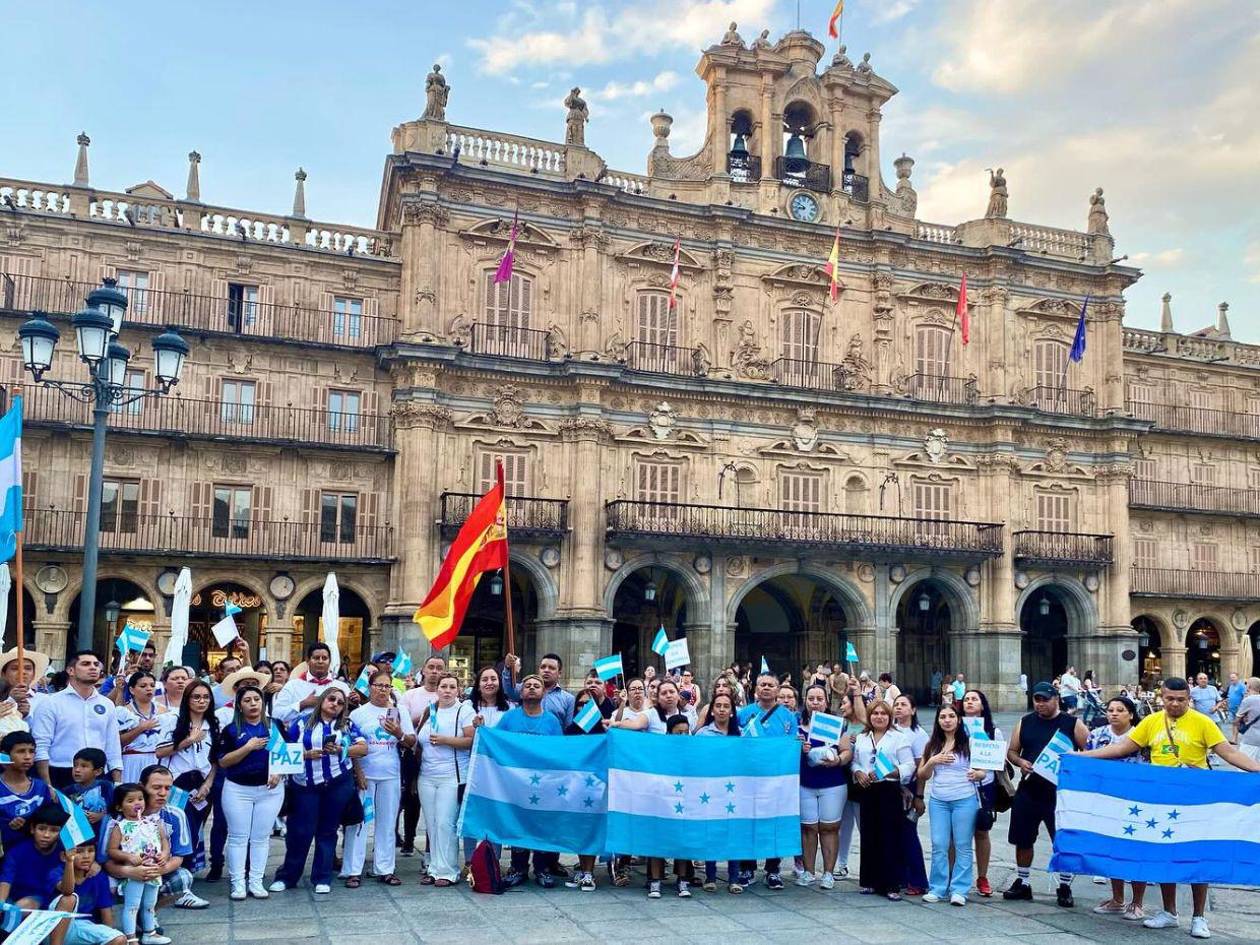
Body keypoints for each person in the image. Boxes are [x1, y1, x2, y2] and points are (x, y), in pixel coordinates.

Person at [1083, 676, 1260, 938]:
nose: (1175, 704)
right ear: (1162, 698)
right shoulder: (1152, 722)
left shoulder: (1203, 722)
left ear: (1189, 698)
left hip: (1196, 800)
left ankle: (1199, 917)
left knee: (1198, 856)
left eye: (1180, 699)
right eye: (1169, 699)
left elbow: (1228, 752)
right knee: (1165, 854)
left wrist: (1257, 768)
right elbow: (1121, 749)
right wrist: (1081, 756)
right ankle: (1169, 912)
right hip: (1162, 799)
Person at [269, 687, 366, 894]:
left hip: (337, 784)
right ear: (322, 700)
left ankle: (322, 877)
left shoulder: (346, 725)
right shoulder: (302, 722)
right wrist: (305, 755)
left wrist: (341, 749)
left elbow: (363, 748)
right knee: (299, 832)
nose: (335, 704)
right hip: (305, 785)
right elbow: (285, 749)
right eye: (331, 699)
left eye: (340, 703)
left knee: (328, 831)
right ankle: (287, 876)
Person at [1003, 681, 1089, 907]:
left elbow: (1092, 752)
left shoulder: (1073, 724)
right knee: (1022, 839)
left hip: (1060, 794)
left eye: (1045, 699)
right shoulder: (1025, 722)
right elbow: (1012, 750)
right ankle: (1023, 881)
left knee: (1062, 841)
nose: (1040, 704)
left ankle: (1065, 885)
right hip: (1029, 789)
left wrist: (1074, 762)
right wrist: (1021, 761)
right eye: (1036, 700)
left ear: (1056, 699)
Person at [98, 765, 210, 913]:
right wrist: (129, 872)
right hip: (124, 871)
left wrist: (156, 870)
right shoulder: (116, 817)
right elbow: (105, 860)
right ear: (141, 787)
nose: (162, 793)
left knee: (184, 876)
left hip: (158, 871)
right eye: (156, 787)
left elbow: (178, 857)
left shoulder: (176, 815)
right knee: (102, 880)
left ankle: (160, 898)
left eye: (167, 788)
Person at [346, 669, 414, 887]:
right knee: (360, 822)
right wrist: (358, 772)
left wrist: (398, 733)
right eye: (379, 685)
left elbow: (411, 741)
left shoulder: (398, 710)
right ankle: (353, 870)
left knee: (386, 823)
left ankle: (385, 868)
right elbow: (352, 747)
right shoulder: (358, 714)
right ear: (370, 687)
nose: (383, 690)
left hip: (390, 774)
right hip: (366, 775)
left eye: (387, 686)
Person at [216, 685, 285, 900]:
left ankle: (256, 881)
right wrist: (248, 747)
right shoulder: (231, 729)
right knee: (238, 837)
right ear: (239, 705)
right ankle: (237, 882)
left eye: (257, 699)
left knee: (261, 837)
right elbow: (223, 760)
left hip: (269, 790)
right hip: (237, 789)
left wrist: (279, 773)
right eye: (247, 700)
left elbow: (287, 753)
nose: (253, 703)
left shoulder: (274, 726)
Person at [1085, 696, 1148, 921]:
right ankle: (1117, 898)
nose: (1114, 713)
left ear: (1130, 714)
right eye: (1110, 709)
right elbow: (1086, 763)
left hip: (1135, 800)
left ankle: (1137, 901)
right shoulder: (1096, 735)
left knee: (1135, 849)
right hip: (1106, 798)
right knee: (1111, 848)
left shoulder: (1142, 734)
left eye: (1120, 710)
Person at [498, 674, 563, 888]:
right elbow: (494, 742)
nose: (532, 689)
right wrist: (480, 728)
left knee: (541, 824)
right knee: (518, 824)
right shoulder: (509, 718)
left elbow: (559, 752)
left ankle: (542, 868)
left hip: (543, 783)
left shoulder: (552, 721)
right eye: (528, 686)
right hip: (516, 784)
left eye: (537, 686)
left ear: (544, 692)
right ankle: (518, 868)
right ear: (521, 692)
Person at [736, 672, 798, 890]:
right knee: (748, 821)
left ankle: (773, 869)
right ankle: (747, 867)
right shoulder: (744, 714)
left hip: (777, 779)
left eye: (770, 685)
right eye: (762, 684)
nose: (766, 688)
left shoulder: (788, 716)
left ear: (778, 689)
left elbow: (793, 744)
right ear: (755, 688)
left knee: (775, 823)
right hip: (749, 777)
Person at [918, 703, 984, 905]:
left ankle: (960, 889)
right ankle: (938, 887)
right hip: (939, 800)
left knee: (963, 845)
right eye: (943, 717)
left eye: (951, 716)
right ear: (937, 721)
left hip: (964, 799)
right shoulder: (932, 745)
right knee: (939, 844)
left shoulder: (970, 742)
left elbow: (983, 771)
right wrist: (933, 761)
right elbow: (922, 774)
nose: (947, 720)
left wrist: (977, 774)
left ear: (958, 719)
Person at [31, 650, 123, 788]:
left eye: (96, 664)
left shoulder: (107, 704)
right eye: (86, 664)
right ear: (71, 670)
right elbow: (41, 745)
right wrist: (47, 785)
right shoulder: (51, 703)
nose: (93, 667)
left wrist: (117, 783)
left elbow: (113, 745)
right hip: (60, 772)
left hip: (98, 775)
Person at [415, 673, 475, 887]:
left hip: (452, 775)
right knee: (431, 824)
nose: (447, 690)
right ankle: (433, 867)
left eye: (452, 687)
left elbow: (471, 740)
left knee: (445, 824)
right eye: (443, 686)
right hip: (427, 775)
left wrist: (445, 740)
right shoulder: (429, 710)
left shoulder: (464, 710)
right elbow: (419, 740)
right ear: (437, 689)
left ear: (458, 690)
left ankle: (448, 871)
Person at [851, 700, 915, 900]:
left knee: (889, 835)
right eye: (875, 713)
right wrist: (858, 772)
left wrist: (895, 772)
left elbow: (909, 765)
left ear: (889, 717)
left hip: (888, 789)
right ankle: (870, 881)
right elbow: (854, 761)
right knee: (869, 834)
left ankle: (891, 884)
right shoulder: (862, 737)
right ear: (870, 716)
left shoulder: (898, 738)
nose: (879, 717)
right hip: (868, 789)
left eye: (883, 714)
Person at [154, 680, 218, 868]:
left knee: (196, 827)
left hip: (203, 783)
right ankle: (173, 868)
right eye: (196, 697)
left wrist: (208, 784)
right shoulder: (173, 720)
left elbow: (216, 759)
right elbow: (160, 751)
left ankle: (190, 869)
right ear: (187, 699)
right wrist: (189, 740)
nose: (201, 701)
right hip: (177, 783)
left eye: (206, 697)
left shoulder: (214, 723)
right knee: (178, 826)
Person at [797, 684, 852, 891]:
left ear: (827, 701)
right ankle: (809, 871)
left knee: (829, 828)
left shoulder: (837, 725)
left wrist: (838, 759)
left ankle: (828, 873)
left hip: (832, 783)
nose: (815, 703)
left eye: (819, 699)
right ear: (805, 701)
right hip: (805, 783)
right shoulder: (796, 725)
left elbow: (847, 752)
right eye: (811, 699)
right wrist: (799, 747)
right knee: (808, 828)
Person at [563, 675, 613, 891]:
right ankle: (583, 870)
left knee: (591, 828)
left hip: (598, 787)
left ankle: (588, 873)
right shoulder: (571, 730)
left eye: (588, 704)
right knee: (579, 828)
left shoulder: (604, 730)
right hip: (576, 787)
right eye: (581, 704)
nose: (584, 707)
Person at [106, 782, 170, 945]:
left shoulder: (154, 823)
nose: (137, 803)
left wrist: (164, 854)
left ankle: (150, 933)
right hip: (134, 873)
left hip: (154, 870)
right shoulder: (120, 827)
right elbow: (112, 850)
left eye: (140, 799)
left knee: (150, 904)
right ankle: (130, 937)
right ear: (119, 807)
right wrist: (128, 857)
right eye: (130, 800)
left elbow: (164, 841)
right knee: (132, 905)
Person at [695, 690, 743, 893]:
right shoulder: (702, 734)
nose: (722, 710)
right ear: (712, 711)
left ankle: (734, 877)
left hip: (734, 790)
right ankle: (711, 876)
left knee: (734, 831)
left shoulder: (741, 733)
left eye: (726, 706)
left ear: (732, 712)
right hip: (710, 789)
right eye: (718, 706)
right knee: (711, 831)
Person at [397, 654, 443, 858]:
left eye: (439, 668)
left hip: (438, 756)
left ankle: (431, 848)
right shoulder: (410, 696)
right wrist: (421, 718)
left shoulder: (447, 695)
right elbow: (401, 722)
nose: (434, 671)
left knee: (434, 804)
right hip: (412, 753)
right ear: (423, 671)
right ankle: (408, 840)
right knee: (411, 799)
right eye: (431, 667)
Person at [961, 688, 1003, 896]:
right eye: (966, 699)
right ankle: (957, 877)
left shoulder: (993, 731)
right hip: (959, 785)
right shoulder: (954, 727)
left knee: (981, 830)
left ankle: (983, 876)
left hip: (983, 786)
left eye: (974, 699)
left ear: (982, 705)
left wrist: (982, 771)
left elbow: (997, 761)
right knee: (958, 834)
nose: (969, 702)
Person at [51, 836, 127, 945]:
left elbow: (106, 911)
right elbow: (67, 890)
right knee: (69, 899)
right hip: (53, 928)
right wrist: (69, 861)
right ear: (64, 856)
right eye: (79, 851)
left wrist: (108, 936)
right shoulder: (56, 873)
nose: (86, 856)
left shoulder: (99, 877)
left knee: (119, 939)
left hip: (83, 928)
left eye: (91, 851)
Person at [0, 801, 70, 909]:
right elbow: (5, 881)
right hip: (16, 904)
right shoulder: (16, 852)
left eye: (54, 830)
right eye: (41, 829)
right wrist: (1, 904)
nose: (46, 835)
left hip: (51, 905)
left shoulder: (66, 852)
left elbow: (67, 888)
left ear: (61, 833)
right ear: (32, 829)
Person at [892, 693, 929, 896]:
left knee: (908, 834)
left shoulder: (918, 734)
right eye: (896, 704)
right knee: (894, 834)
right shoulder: (891, 728)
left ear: (913, 710)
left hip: (910, 788)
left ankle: (917, 879)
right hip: (891, 786)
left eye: (903, 705)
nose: (898, 708)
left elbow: (920, 767)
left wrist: (919, 796)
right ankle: (899, 877)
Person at [834, 686, 868, 879]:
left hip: (859, 779)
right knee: (843, 825)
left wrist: (856, 693)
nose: (841, 707)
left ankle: (869, 864)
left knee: (862, 823)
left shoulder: (865, 725)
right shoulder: (840, 725)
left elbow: (865, 717)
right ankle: (842, 864)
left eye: (844, 703)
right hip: (842, 777)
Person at [0, 730, 52, 851]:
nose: (28, 757)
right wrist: (7, 825)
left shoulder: (41, 787)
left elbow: (49, 820)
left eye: (32, 751)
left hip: (36, 853)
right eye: (21, 751)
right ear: (5, 755)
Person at [117, 671, 168, 785]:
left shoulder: (163, 711)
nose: (149, 689)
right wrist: (141, 728)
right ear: (131, 690)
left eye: (152, 685)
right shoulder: (123, 712)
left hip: (157, 760)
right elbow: (118, 742)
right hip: (132, 760)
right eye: (143, 686)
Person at [503, 652, 575, 728]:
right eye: (543, 667)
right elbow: (509, 691)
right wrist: (508, 668)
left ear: (559, 673)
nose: (546, 670)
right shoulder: (525, 688)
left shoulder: (568, 699)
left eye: (551, 668)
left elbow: (568, 729)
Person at [63, 748, 115, 832]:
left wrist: (101, 815)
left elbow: (114, 808)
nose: (77, 770)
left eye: (84, 766)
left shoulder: (105, 786)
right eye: (75, 765)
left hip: (103, 832)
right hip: (79, 834)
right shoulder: (68, 791)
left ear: (98, 771)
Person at [1234, 676, 1260, 761]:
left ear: (1248, 687)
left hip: (1251, 738)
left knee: (1244, 766)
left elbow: (1237, 720)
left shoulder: (1248, 700)